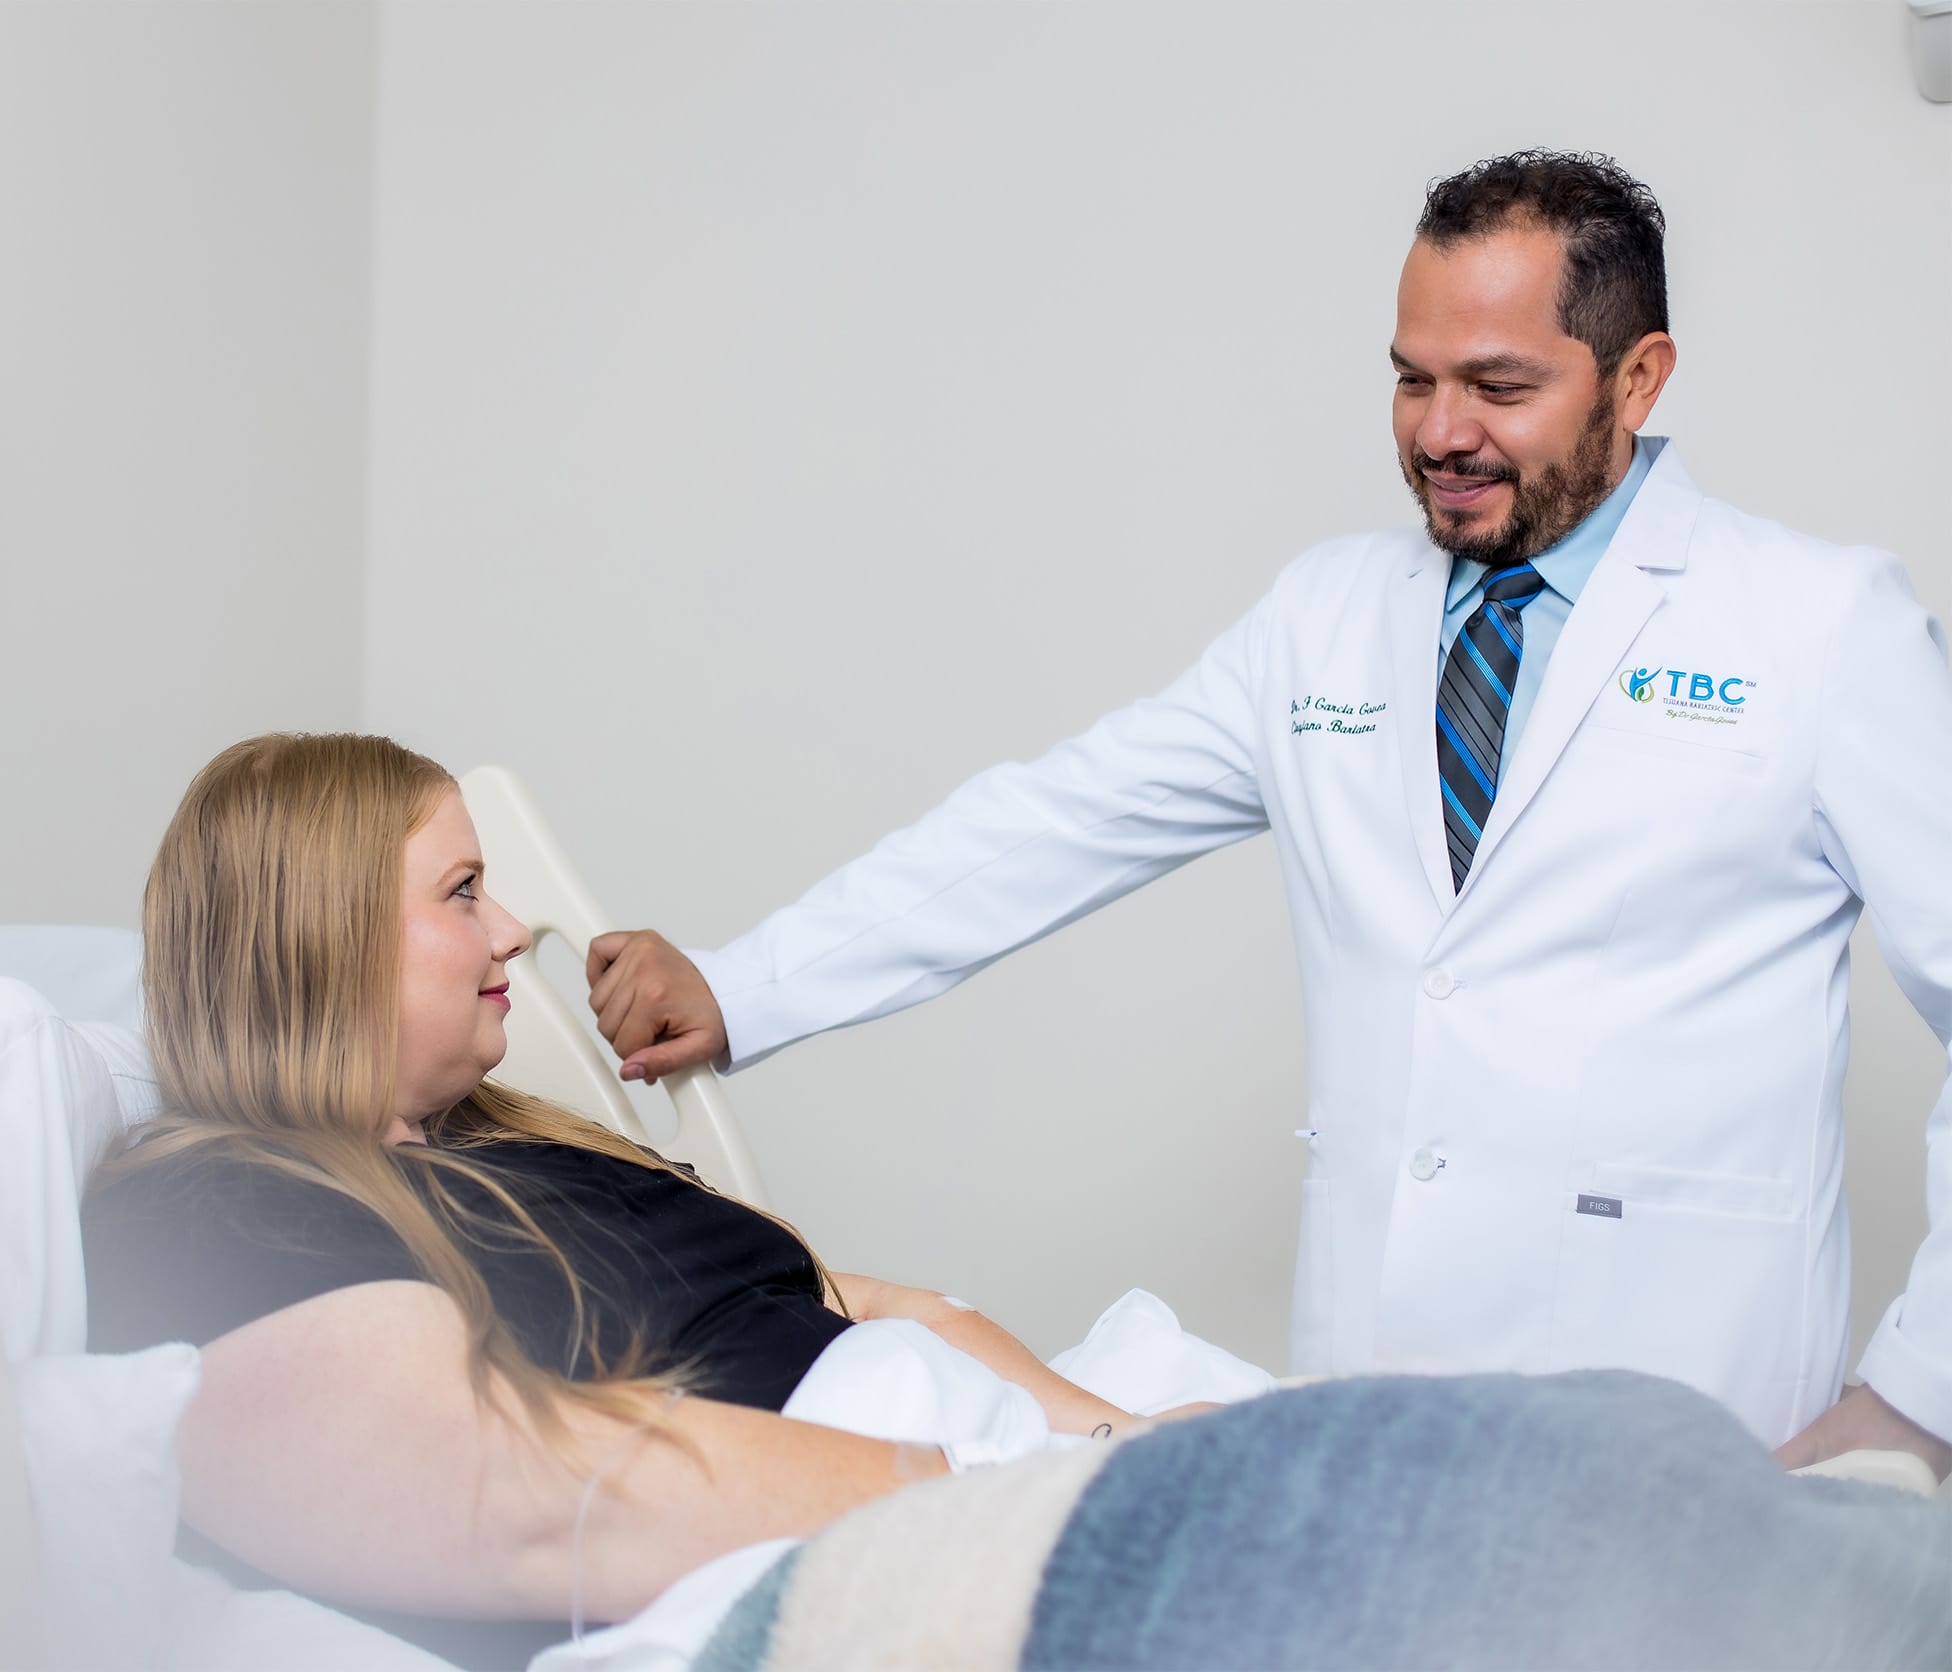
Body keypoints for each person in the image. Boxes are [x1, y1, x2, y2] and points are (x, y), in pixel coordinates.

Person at [583, 150, 1952, 1476]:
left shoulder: (1818, 625)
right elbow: (1055, 824)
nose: (1439, 432)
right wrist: (743, 983)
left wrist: (1922, 1390)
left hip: (1684, 1414)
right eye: (1412, 380)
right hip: (1364, 1407)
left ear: (1638, 376)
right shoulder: (1326, 616)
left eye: (1499, 384)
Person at [74, 732, 1952, 1672]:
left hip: (953, 1455)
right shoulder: (216, 1203)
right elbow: (492, 1496)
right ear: (323, 945)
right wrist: (1000, 1493)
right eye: (464, 895)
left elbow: (847, 1295)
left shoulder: (507, 1141)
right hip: (825, 1554)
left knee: (1595, 1457)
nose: (524, 927)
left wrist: (1110, 1433)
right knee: (1491, 1521)